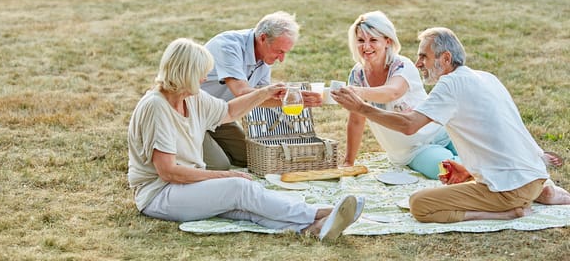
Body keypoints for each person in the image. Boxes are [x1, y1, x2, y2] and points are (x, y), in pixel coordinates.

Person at [127, 38, 363, 240]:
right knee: (239, 187)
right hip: (159, 194)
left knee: (246, 205)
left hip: (186, 186)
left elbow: (228, 112)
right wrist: (225, 175)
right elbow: (169, 172)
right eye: (201, 73)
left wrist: (264, 93)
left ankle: (311, 229)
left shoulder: (192, 98)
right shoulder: (156, 107)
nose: (204, 78)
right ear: (185, 73)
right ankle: (318, 213)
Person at [332, 27, 570, 223]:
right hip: (536, 176)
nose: (418, 63)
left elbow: (409, 125)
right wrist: (468, 171)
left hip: (510, 190)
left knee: (419, 204)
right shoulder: (486, 77)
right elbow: (498, 135)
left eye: (424, 56)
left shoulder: (450, 85)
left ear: (445, 58)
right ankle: (535, 194)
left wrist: (361, 107)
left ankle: (505, 212)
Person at [342, 11, 458, 179]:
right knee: (448, 170)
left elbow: (392, 92)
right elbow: (356, 120)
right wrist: (348, 162)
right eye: (361, 40)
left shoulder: (401, 65)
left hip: (442, 131)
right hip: (413, 150)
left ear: (387, 41)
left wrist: (357, 92)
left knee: (480, 157)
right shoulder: (357, 75)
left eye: (373, 40)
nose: (366, 47)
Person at [200, 11, 322, 170]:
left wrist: (294, 100)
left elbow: (259, 100)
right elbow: (242, 93)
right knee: (219, 165)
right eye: (279, 51)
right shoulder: (228, 46)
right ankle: (182, 149)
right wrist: (273, 92)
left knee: (251, 157)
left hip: (220, 114)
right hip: (191, 113)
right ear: (263, 38)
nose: (281, 59)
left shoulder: (264, 56)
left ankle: (206, 147)